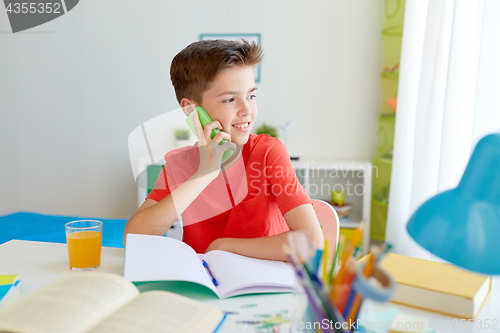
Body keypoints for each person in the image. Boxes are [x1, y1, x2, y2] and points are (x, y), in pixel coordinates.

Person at [124, 39, 323, 261]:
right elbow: (134, 238)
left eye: (251, 96)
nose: (247, 110)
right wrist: (203, 174)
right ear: (192, 110)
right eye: (230, 99)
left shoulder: (268, 152)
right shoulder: (181, 165)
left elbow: (311, 243)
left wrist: (224, 246)